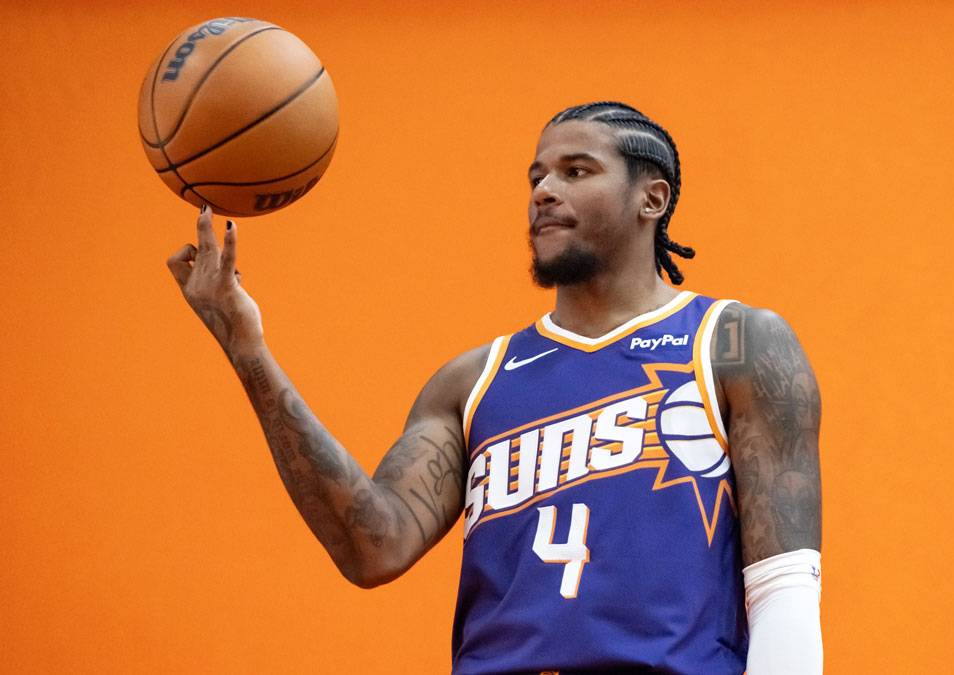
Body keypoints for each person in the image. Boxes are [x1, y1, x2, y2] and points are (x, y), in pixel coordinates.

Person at [167, 101, 823, 674]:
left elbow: (784, 585)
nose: (542, 189)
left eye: (575, 170)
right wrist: (249, 352)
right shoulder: (473, 379)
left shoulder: (734, 340)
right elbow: (373, 544)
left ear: (652, 198)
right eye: (536, 175)